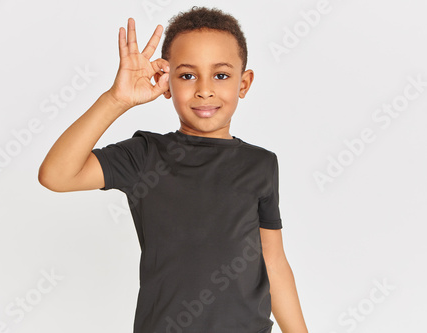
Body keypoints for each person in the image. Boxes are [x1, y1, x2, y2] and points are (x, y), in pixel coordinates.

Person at [38, 6, 308, 333]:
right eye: (187, 75)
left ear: (244, 82)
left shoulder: (261, 164)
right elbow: (56, 175)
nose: (204, 89)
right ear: (166, 83)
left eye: (220, 75)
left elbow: (273, 261)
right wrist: (116, 99)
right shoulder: (144, 156)